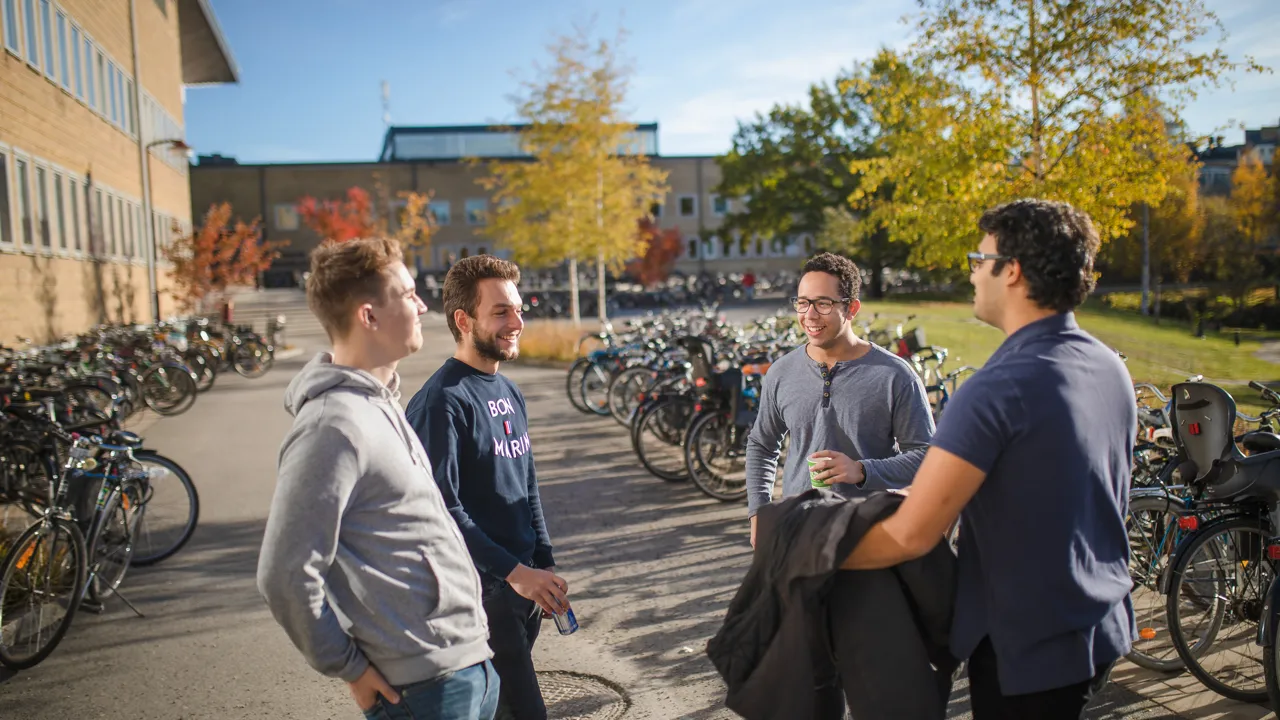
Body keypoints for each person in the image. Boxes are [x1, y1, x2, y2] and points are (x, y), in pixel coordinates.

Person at [842, 199, 1135, 719]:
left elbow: (912, 535)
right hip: (1100, 627)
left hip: (1027, 647)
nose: (973, 274)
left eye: (979, 260)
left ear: (1012, 270)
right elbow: (1047, 479)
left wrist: (806, 557)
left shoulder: (997, 388)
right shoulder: (1108, 365)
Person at [257, 237, 498, 720]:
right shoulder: (331, 425)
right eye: (408, 294)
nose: (422, 305)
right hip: (422, 687)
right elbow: (284, 574)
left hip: (464, 665)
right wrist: (348, 667)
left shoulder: (380, 404)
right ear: (368, 316)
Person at [406, 255, 567, 720]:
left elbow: (527, 484)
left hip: (521, 589)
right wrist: (516, 573)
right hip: (480, 596)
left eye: (518, 309)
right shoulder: (441, 403)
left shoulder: (508, 391)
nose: (517, 322)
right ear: (464, 320)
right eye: (500, 312)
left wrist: (543, 562)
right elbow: (440, 511)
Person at [746, 251, 935, 547]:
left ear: (852, 308)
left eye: (823, 303)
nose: (809, 315)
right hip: (798, 532)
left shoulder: (894, 375)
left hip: (870, 535)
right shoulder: (781, 372)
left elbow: (926, 457)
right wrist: (759, 513)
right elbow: (762, 444)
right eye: (803, 302)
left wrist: (862, 470)